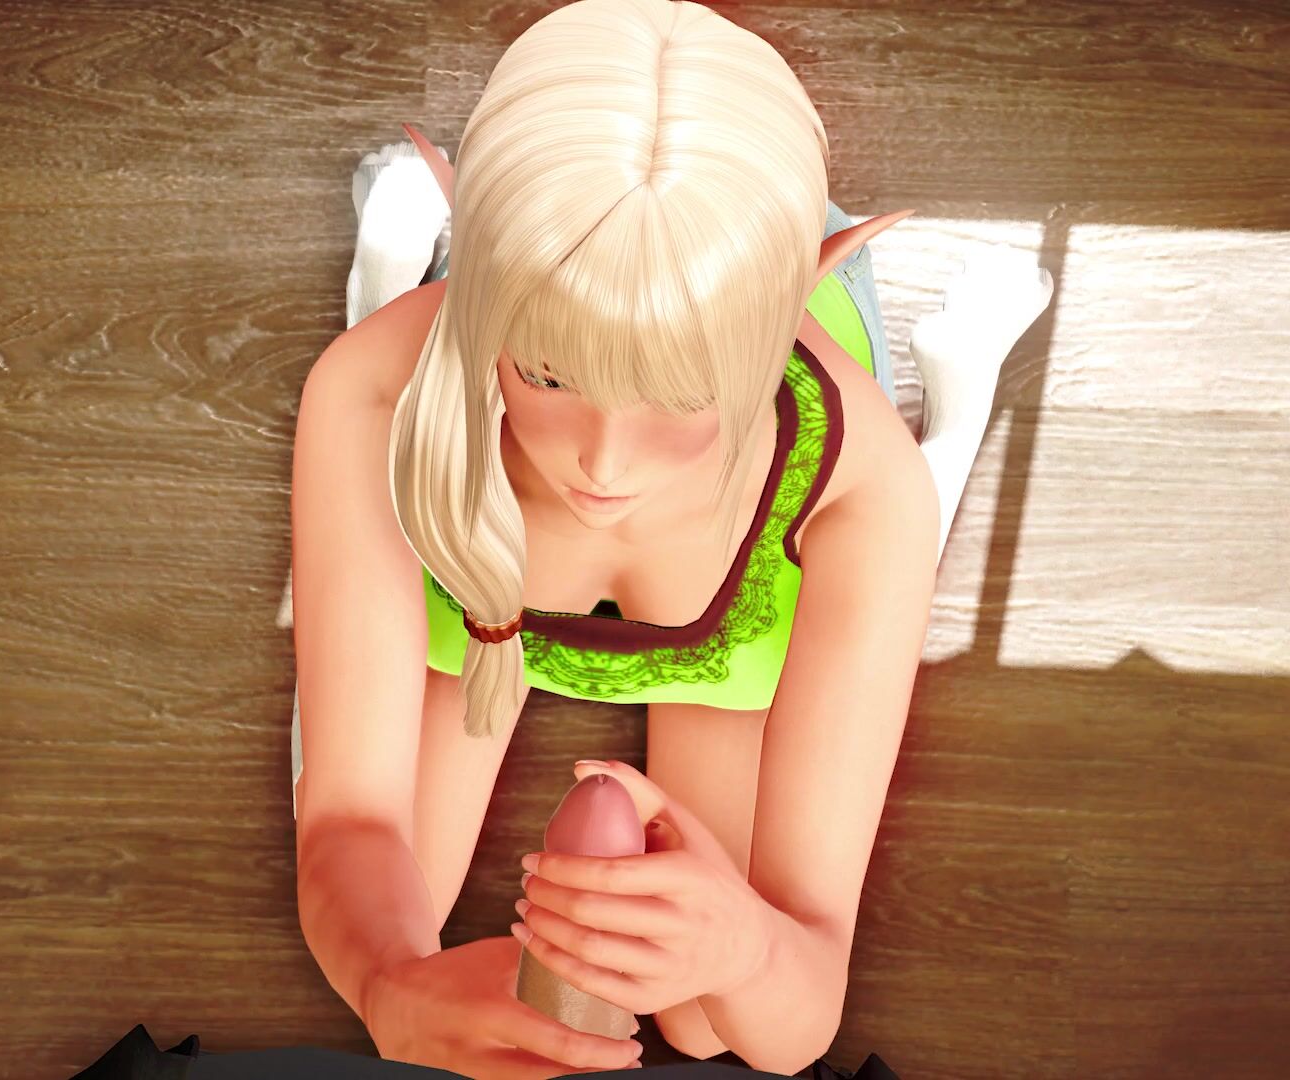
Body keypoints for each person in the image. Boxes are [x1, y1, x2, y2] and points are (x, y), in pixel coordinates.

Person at [288, 2, 1051, 1077]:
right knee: (399, 907)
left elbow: (802, 1005)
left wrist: (752, 949)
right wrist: (383, 981)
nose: (603, 464)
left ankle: (954, 410)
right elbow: (347, 825)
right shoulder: (370, 394)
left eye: (683, 393)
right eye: (546, 372)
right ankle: (391, 284)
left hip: (756, 552)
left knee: (703, 1021)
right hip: (480, 506)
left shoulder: (863, 486)